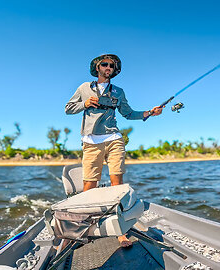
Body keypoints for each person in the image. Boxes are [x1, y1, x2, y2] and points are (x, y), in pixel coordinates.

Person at [65, 54, 163, 247]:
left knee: (117, 184)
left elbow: (128, 113)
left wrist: (150, 112)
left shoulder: (118, 91)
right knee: (89, 186)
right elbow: (68, 108)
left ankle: (120, 231)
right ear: (98, 67)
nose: (108, 67)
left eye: (112, 65)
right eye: (105, 64)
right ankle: (84, 229)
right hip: (91, 140)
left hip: (114, 138)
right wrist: (85, 104)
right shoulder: (84, 88)